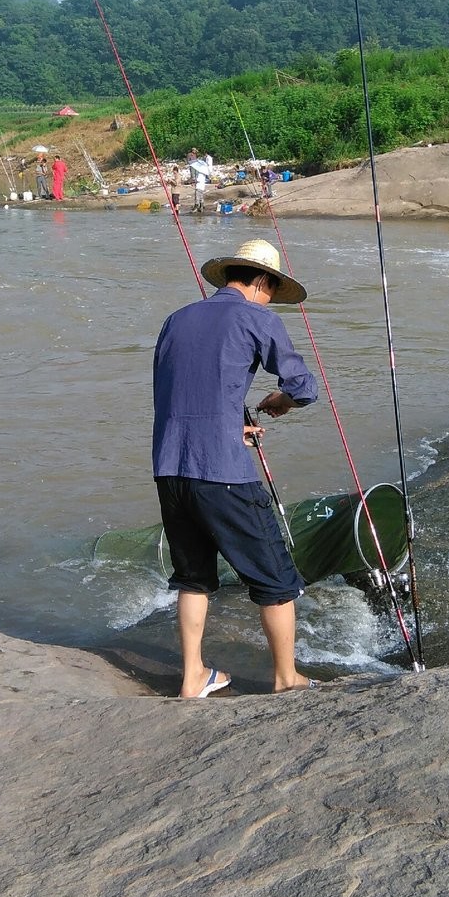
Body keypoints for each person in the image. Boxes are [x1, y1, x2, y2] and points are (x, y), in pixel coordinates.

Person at [152, 238, 318, 698]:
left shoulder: (176, 319)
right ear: (262, 281)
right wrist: (281, 402)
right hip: (222, 472)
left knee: (192, 576)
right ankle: (287, 679)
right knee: (277, 579)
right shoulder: (256, 316)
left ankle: (192, 677)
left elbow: (175, 395)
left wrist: (231, 427)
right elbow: (303, 387)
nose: (271, 301)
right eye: (272, 291)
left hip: (169, 467)